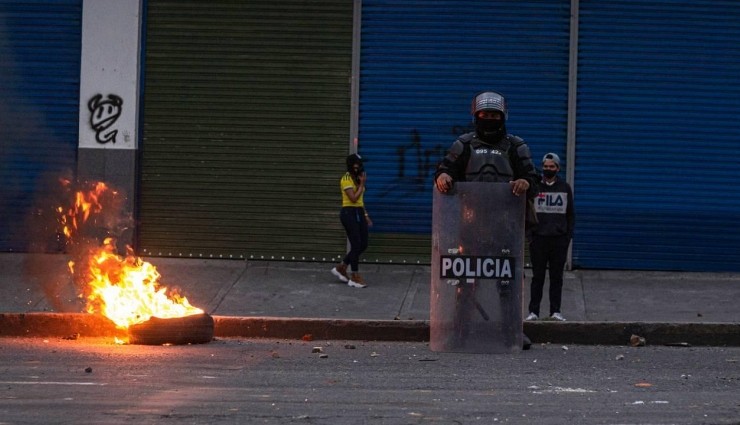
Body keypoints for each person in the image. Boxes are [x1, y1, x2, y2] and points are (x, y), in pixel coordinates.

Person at [434, 91, 539, 349]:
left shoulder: (516, 147)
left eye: (494, 115)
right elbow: (444, 169)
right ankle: (459, 332)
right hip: (471, 224)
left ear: (503, 117)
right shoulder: (464, 145)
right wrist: (443, 177)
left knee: (509, 282)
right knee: (465, 282)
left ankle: (512, 332)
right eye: (485, 114)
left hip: (505, 225)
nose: (489, 119)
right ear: (476, 115)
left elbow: (533, 180)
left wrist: (525, 182)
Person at [526, 153, 575, 322]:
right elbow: (527, 212)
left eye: (551, 167)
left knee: (556, 278)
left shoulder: (565, 187)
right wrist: (530, 236)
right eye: (545, 166)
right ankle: (534, 312)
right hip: (538, 240)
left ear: (558, 168)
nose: (548, 169)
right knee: (537, 278)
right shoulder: (535, 187)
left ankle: (555, 311)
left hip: (558, 240)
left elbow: (570, 215)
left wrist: (567, 237)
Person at [331, 153, 372, 288]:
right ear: (351, 165)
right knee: (356, 244)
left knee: (363, 244)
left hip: (359, 212)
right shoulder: (346, 179)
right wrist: (362, 185)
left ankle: (342, 267)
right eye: (357, 164)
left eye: (360, 164)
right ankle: (354, 276)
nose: (359, 166)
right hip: (348, 212)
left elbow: (360, 201)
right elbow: (353, 198)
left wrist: (365, 215)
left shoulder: (357, 178)